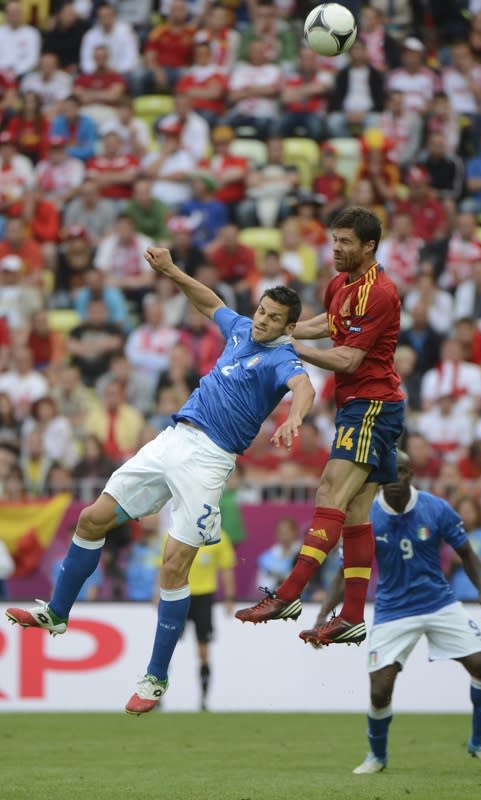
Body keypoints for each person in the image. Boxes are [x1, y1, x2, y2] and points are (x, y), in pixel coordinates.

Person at [6, 246, 315, 715]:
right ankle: (57, 612)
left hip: (210, 459)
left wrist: (294, 418)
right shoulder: (239, 329)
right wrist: (171, 270)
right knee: (92, 519)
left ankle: (155, 677)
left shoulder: (282, 358)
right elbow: (208, 300)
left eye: (273, 319)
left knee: (173, 565)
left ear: (289, 328)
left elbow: (305, 387)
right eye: (262, 312)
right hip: (172, 438)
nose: (262, 321)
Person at [236, 207, 405, 645]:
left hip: (372, 405)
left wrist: (290, 345)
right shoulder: (339, 285)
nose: (336, 248)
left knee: (330, 491)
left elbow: (348, 358)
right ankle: (350, 617)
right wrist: (284, 332)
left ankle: (289, 594)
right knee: (355, 512)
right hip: (363, 404)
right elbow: (323, 325)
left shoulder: (380, 293)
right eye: (334, 240)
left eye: (346, 242)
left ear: (369, 246)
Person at [308, 451, 481, 776]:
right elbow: (347, 570)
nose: (395, 479)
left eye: (401, 472)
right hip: (393, 610)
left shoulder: (435, 507)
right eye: (390, 473)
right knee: (379, 690)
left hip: (438, 603)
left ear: (411, 474)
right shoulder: (366, 515)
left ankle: (480, 742)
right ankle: (377, 756)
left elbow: (466, 552)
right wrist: (322, 617)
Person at [187, 530, 236, 711]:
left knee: (203, 651)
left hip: (204, 597)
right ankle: (158, 694)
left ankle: (204, 698)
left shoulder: (220, 537)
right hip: (179, 593)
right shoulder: (176, 532)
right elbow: (165, 564)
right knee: (167, 645)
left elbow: (226, 569)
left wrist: (230, 597)